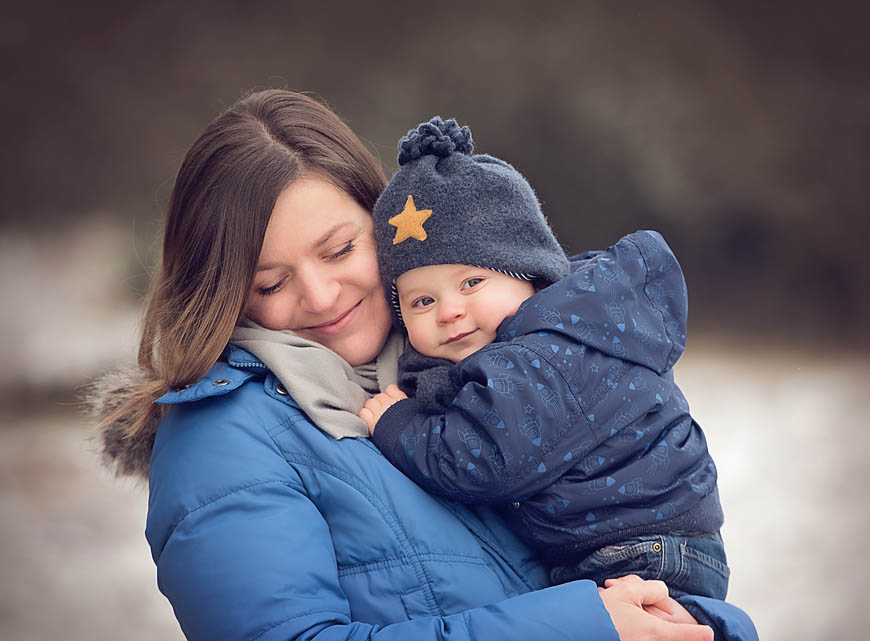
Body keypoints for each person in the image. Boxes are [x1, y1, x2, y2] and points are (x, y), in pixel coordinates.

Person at [91, 89, 756, 641]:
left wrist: (699, 622)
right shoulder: (224, 440)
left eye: (338, 249)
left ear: (389, 228)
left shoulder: (461, 367)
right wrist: (583, 624)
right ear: (222, 291)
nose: (321, 297)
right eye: (270, 283)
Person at [359, 118, 727, 600]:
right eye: (422, 302)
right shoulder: (565, 328)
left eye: (472, 283)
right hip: (656, 543)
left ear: (530, 274)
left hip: (640, 552)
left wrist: (401, 425)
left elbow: (485, 461)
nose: (449, 311)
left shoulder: (540, 355)